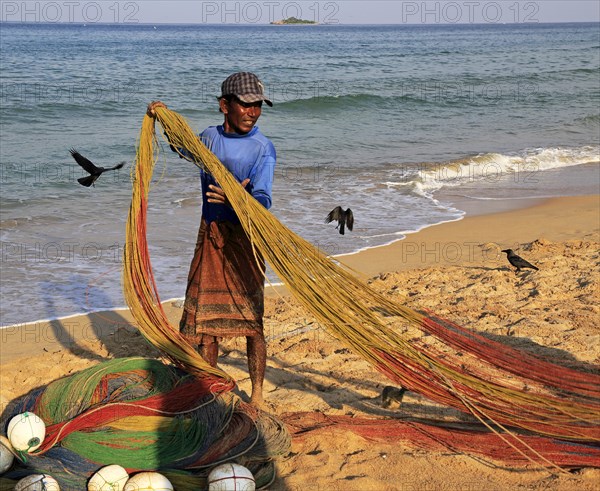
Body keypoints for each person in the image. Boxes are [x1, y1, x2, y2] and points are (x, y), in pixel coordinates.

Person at [147, 72, 275, 406]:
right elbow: (183, 148)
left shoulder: (262, 148)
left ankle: (258, 393)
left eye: (257, 105)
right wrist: (163, 118)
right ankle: (211, 389)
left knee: (252, 321)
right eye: (245, 105)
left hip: (246, 240)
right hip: (211, 236)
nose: (252, 112)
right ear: (224, 106)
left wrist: (236, 198)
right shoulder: (208, 138)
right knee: (206, 324)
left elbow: (263, 198)